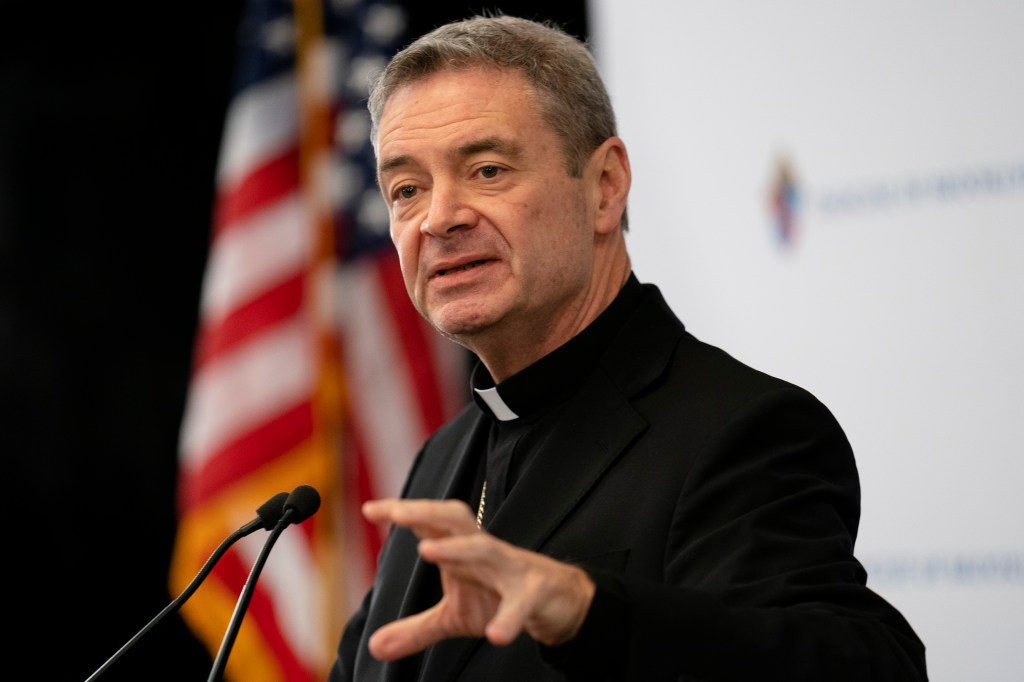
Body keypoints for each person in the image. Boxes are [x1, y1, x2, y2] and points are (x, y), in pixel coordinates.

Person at [329, 14, 927, 681]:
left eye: (487, 170)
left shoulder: (742, 431)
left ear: (606, 186)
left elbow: (865, 666)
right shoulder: (441, 455)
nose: (438, 218)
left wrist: (586, 612)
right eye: (407, 190)